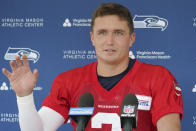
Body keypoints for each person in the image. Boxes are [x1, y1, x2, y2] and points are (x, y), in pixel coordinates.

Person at [2, 3, 183, 131]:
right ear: (92, 38)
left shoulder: (157, 77)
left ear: (131, 39)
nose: (109, 41)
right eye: (102, 33)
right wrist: (24, 97)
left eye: (118, 33)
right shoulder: (69, 81)